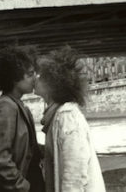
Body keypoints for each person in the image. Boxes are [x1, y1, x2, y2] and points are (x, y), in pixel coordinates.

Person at [35, 46, 106, 192]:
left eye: (41, 77)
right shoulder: (59, 115)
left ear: (52, 84)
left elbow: (75, 173)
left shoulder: (67, 117)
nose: (36, 79)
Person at [0, 46, 45, 192]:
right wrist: (23, 186)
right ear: (14, 77)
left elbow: (28, 147)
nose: (34, 78)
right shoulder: (6, 107)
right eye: (30, 74)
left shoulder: (16, 104)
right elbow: (0, 159)